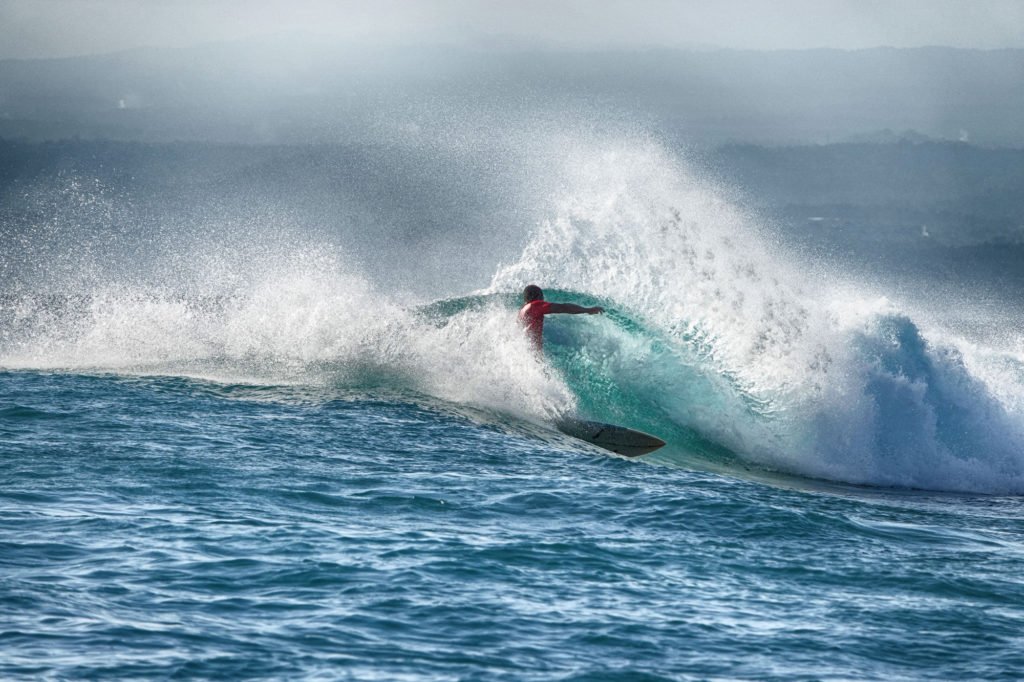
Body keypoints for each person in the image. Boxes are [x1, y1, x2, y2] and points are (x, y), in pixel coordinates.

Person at [518, 284, 604, 351]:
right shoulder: (535, 305)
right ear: (537, 297)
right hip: (533, 354)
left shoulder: (521, 312)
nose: (543, 300)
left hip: (526, 351)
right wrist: (587, 310)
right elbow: (563, 307)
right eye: (542, 297)